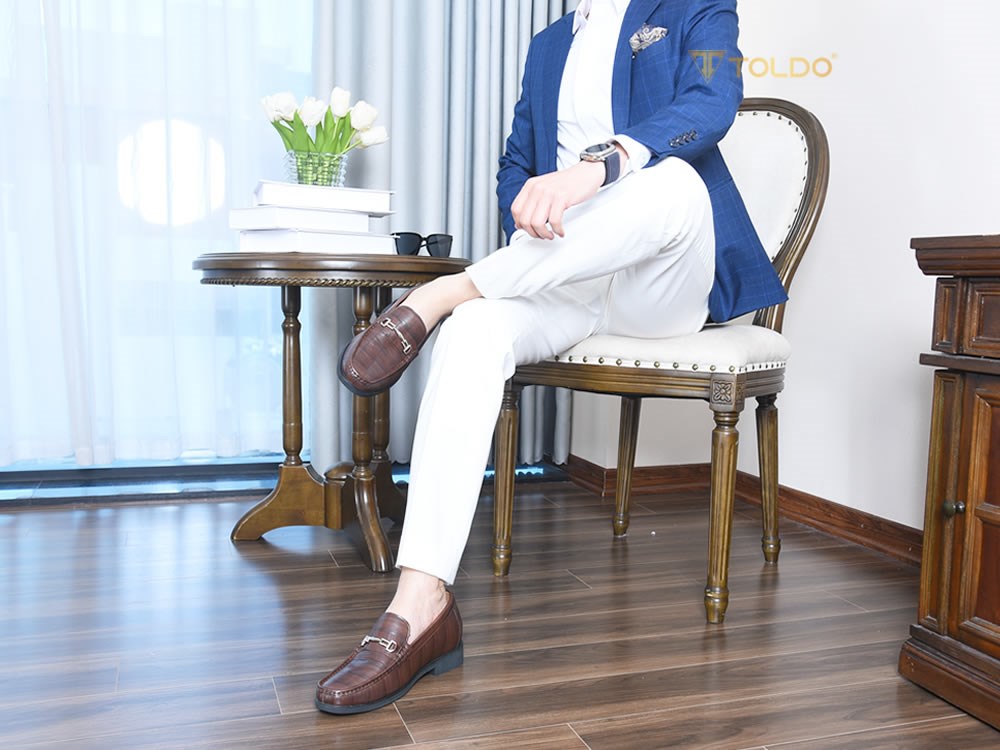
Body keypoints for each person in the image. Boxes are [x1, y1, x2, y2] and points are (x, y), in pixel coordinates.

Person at [315, 0, 786, 715]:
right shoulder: (548, 45)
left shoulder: (695, 7)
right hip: (563, 270)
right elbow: (517, 163)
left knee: (674, 181)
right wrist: (532, 215)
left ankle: (447, 291)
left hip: (657, 283)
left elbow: (712, 103)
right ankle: (420, 605)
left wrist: (596, 169)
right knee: (474, 333)